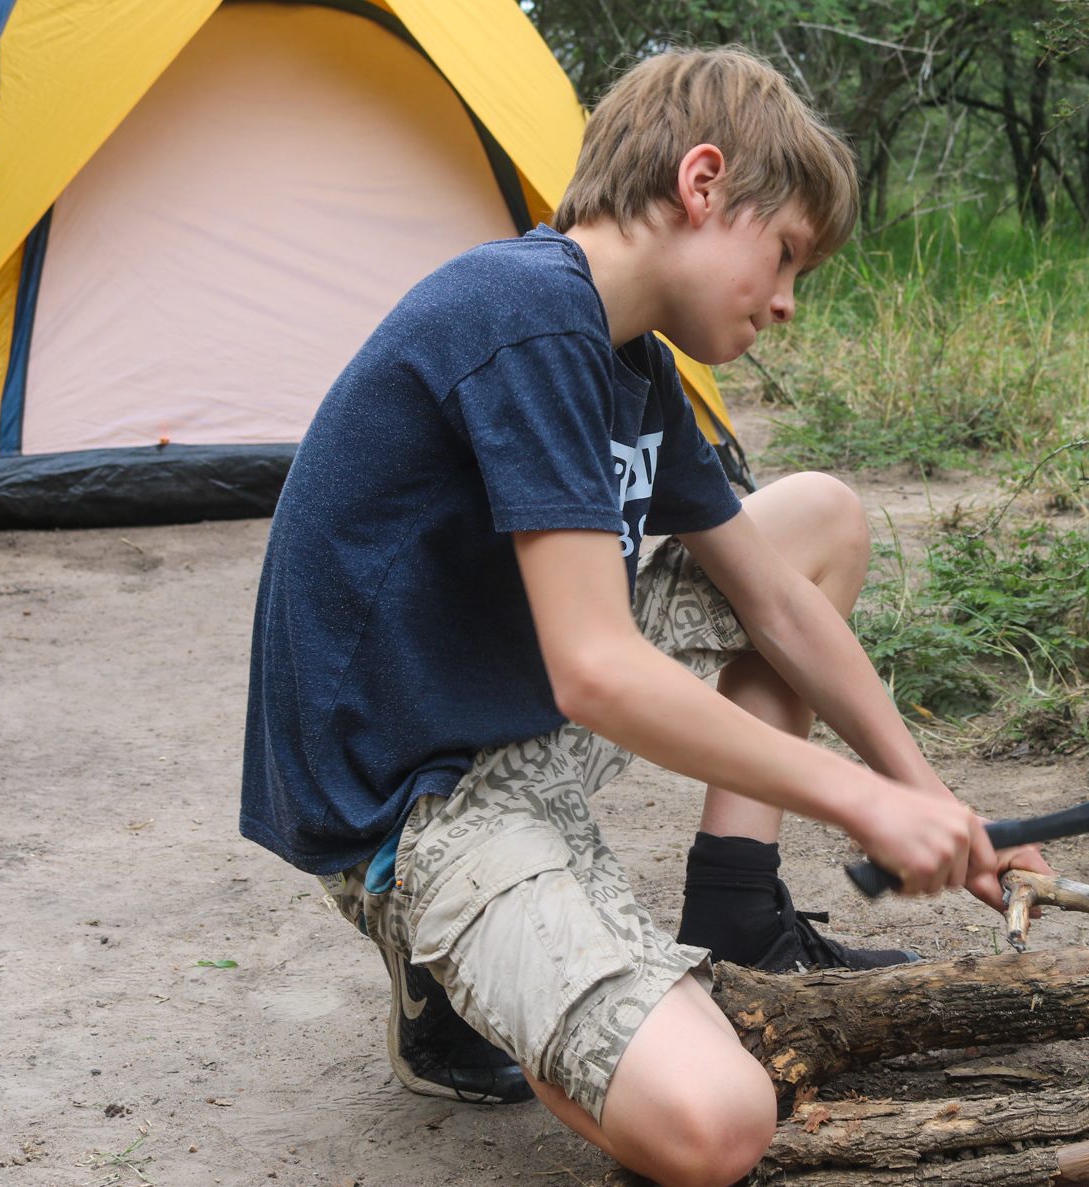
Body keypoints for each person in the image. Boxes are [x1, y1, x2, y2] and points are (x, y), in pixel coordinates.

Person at [240, 45, 1047, 1187]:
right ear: (703, 182)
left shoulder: (631, 362)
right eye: (785, 256)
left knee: (817, 519)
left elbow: (772, 595)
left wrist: (925, 794)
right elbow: (597, 671)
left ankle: (734, 906)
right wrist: (858, 799)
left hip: (510, 723)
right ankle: (451, 955)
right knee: (720, 1119)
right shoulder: (525, 316)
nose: (784, 302)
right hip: (419, 803)